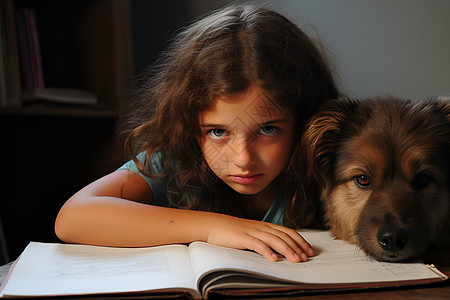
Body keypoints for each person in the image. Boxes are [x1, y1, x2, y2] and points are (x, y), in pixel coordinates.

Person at [55, 4, 340, 263]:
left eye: (267, 129)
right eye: (218, 132)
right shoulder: (174, 160)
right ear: (189, 125)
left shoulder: (330, 170)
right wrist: (213, 227)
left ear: (303, 119)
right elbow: (72, 218)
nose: (242, 158)